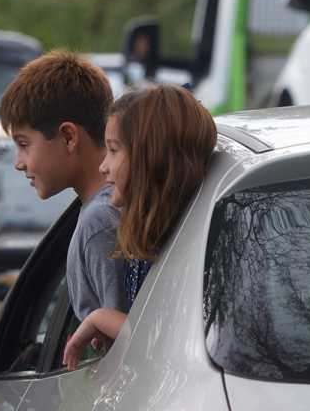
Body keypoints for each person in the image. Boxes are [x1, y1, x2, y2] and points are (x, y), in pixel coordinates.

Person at [62, 84, 217, 370]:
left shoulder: (190, 247)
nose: (103, 166)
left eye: (113, 150)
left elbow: (163, 345)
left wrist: (101, 318)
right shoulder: (151, 241)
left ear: (150, 157)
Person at [0, 50, 129, 321]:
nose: (18, 163)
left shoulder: (101, 221)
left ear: (68, 137)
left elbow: (121, 348)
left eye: (24, 145)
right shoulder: (104, 209)